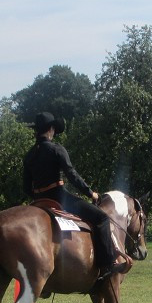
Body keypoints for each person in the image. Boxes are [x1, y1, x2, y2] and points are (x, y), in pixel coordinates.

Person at [22, 112, 131, 280]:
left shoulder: (29, 155)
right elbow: (72, 175)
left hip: (38, 201)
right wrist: (90, 193)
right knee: (102, 218)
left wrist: (37, 197)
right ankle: (107, 264)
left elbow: (25, 187)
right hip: (59, 197)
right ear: (51, 129)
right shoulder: (57, 150)